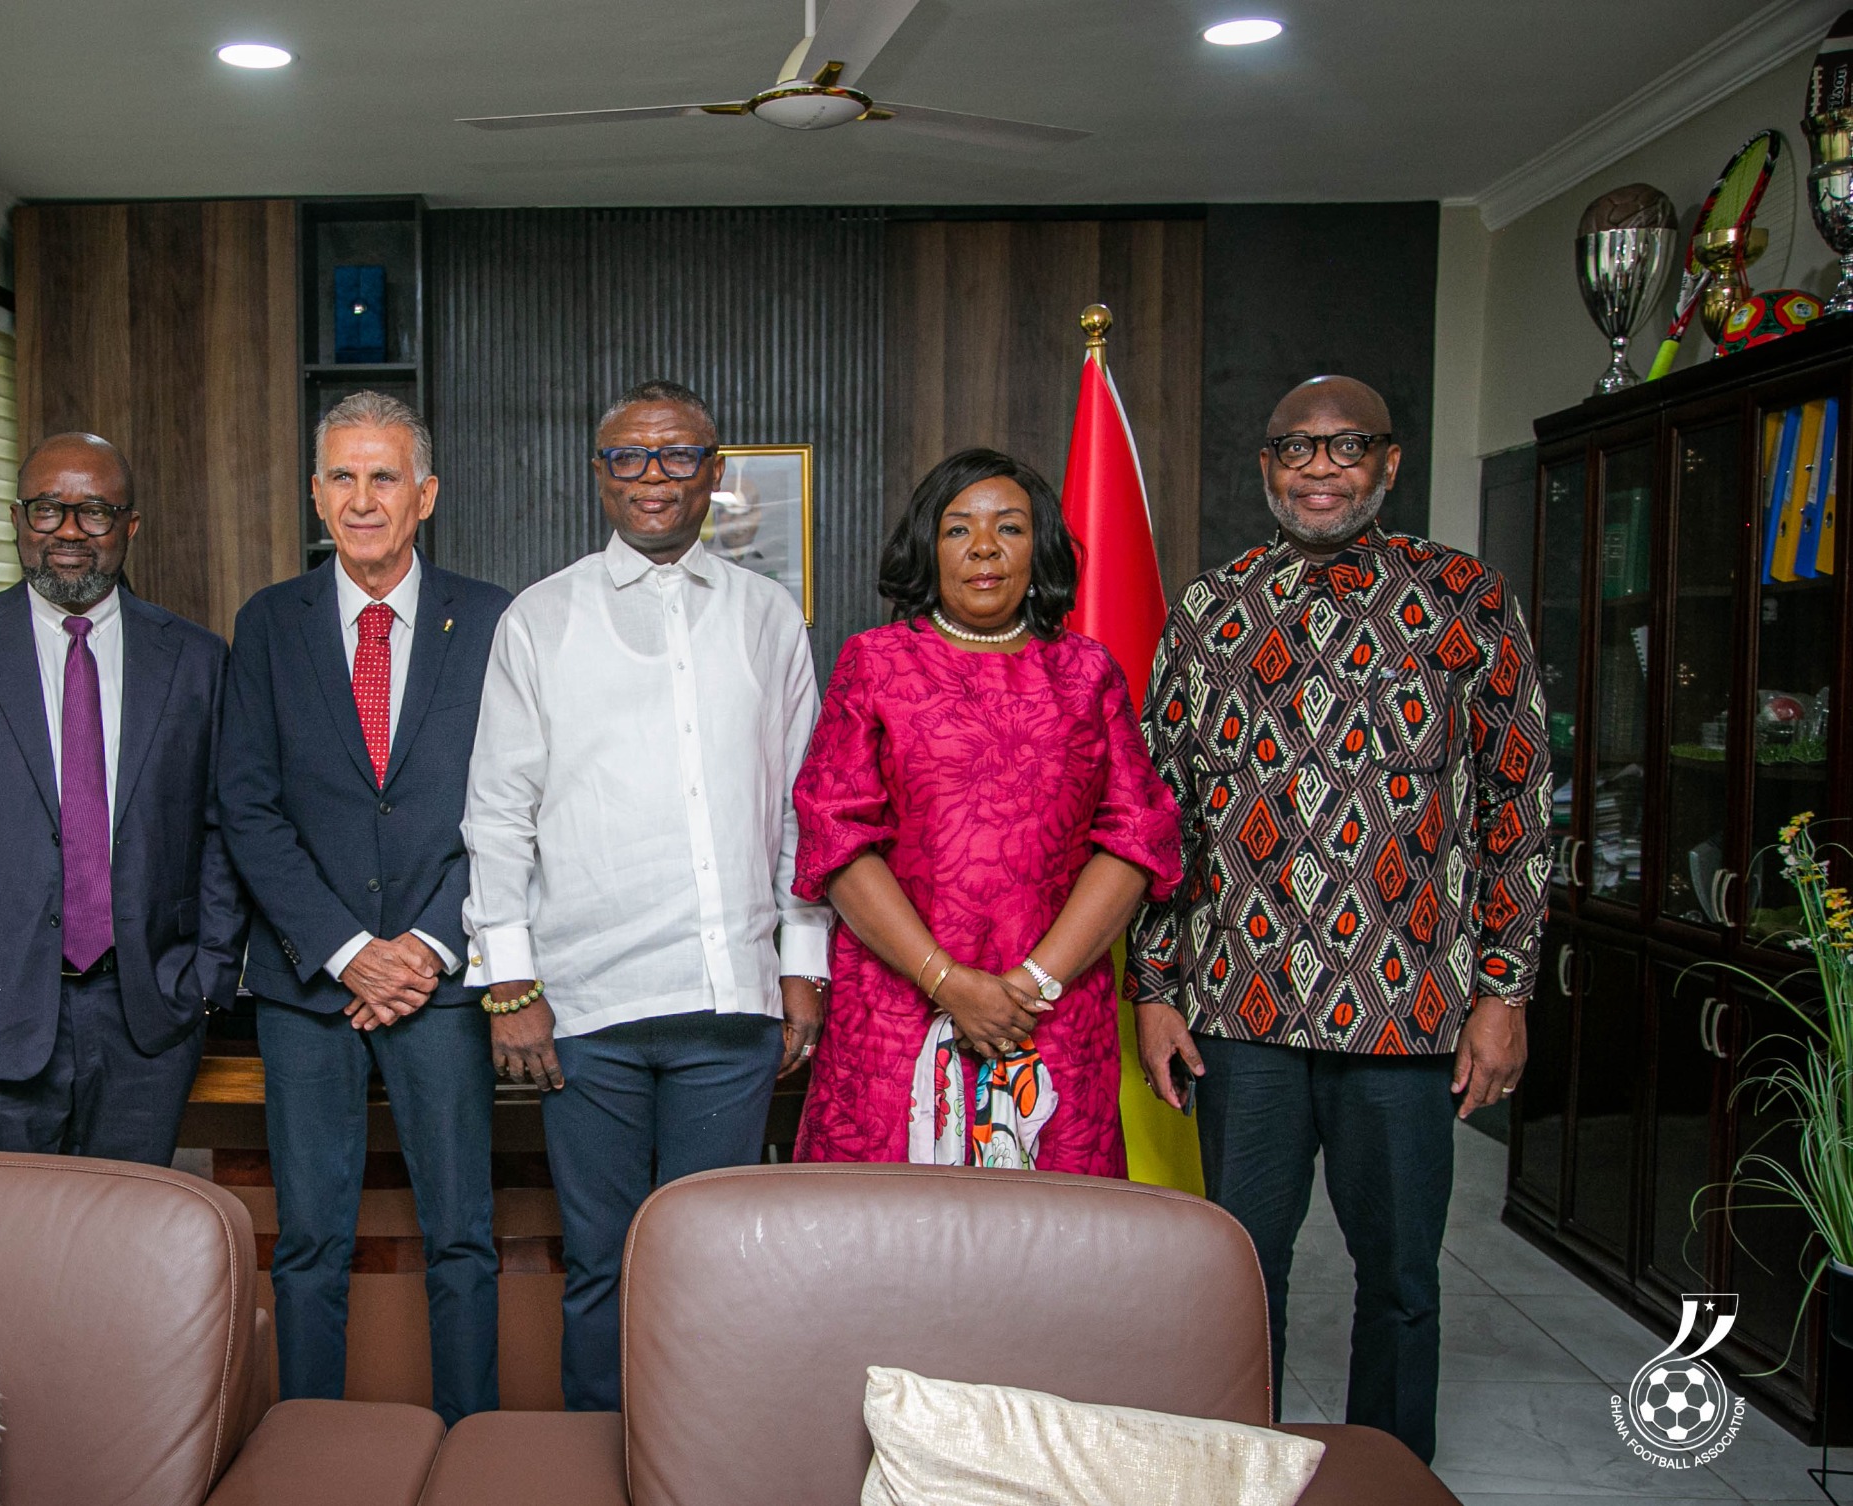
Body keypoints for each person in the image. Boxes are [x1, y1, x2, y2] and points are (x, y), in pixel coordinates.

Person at [1129, 375, 1549, 1464]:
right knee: (1237, 1274)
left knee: (1401, 1279)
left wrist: (1503, 995)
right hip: (1240, 1008)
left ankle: (1389, 1473)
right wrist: (1156, 989)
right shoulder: (1209, 610)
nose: (1319, 467)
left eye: (1344, 445)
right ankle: (1241, 1471)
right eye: (1294, 449)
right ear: (1265, 467)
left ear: (1389, 463)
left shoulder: (1467, 602)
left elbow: (1516, 810)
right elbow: (1156, 817)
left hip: (1404, 1018)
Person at [463, 378, 829, 1412]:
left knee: (716, 1268)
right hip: (587, 1012)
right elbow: (496, 816)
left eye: (677, 457)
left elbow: (804, 806)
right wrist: (510, 983)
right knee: (603, 1268)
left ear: (714, 475)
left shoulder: (767, 616)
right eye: (629, 457)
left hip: (731, 1005)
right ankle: (598, 1464)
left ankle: (706, 1463)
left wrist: (802, 967)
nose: (653, 477)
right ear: (598, 476)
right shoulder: (540, 618)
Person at [219, 392, 512, 1424]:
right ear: (314, 493)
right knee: (307, 1242)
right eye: (340, 477)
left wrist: (429, 944)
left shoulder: (491, 620)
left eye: (383, 476)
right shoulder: (268, 624)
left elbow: (516, 803)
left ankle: (466, 1442)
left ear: (424, 495)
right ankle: (309, 1452)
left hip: (440, 976)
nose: (361, 498)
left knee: (463, 1237)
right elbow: (246, 808)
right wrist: (347, 949)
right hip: (312, 986)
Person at [0, 432, 244, 1164]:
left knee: (123, 1244)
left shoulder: (195, 658)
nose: (67, 531)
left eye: (94, 512)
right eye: (46, 510)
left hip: (149, 1015)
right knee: (1, 1255)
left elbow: (222, 830)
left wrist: (208, 978)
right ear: (16, 519)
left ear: (131, 527)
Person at [791, 449, 1181, 1174]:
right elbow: (836, 838)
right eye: (958, 529)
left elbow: (1136, 836)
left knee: (1051, 1250)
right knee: (887, 1247)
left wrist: (1030, 988)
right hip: (896, 1010)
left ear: (1041, 550)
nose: (984, 549)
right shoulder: (874, 662)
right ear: (927, 548)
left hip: (1052, 1015)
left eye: (1009, 528)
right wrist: (947, 982)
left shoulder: (1087, 672)